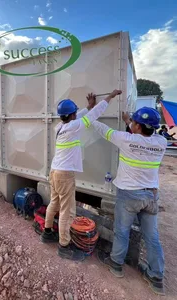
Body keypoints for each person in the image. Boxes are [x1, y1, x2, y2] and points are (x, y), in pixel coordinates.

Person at [91, 107, 166, 296]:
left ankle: (116, 264)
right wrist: (129, 122)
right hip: (151, 196)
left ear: (138, 126)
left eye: (134, 122)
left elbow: (102, 129)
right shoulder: (162, 142)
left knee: (122, 231)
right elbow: (141, 138)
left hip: (130, 195)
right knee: (152, 236)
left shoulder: (126, 139)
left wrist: (91, 112)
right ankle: (156, 277)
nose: (131, 123)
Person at [40, 89, 122, 261]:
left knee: (54, 202)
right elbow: (94, 115)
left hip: (54, 171)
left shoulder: (60, 126)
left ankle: (47, 233)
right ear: (72, 115)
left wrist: (87, 106)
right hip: (64, 175)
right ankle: (64, 246)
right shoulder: (74, 126)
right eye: (75, 112)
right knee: (67, 211)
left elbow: (80, 116)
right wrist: (110, 96)